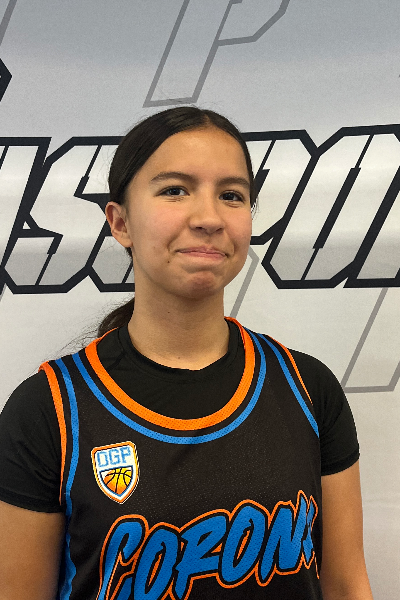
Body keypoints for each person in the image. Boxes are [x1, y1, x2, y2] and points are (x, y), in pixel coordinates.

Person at [0, 106, 373, 600]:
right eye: (175, 190)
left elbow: (346, 585)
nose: (209, 218)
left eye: (231, 195)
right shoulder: (48, 409)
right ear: (120, 222)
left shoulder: (308, 388)